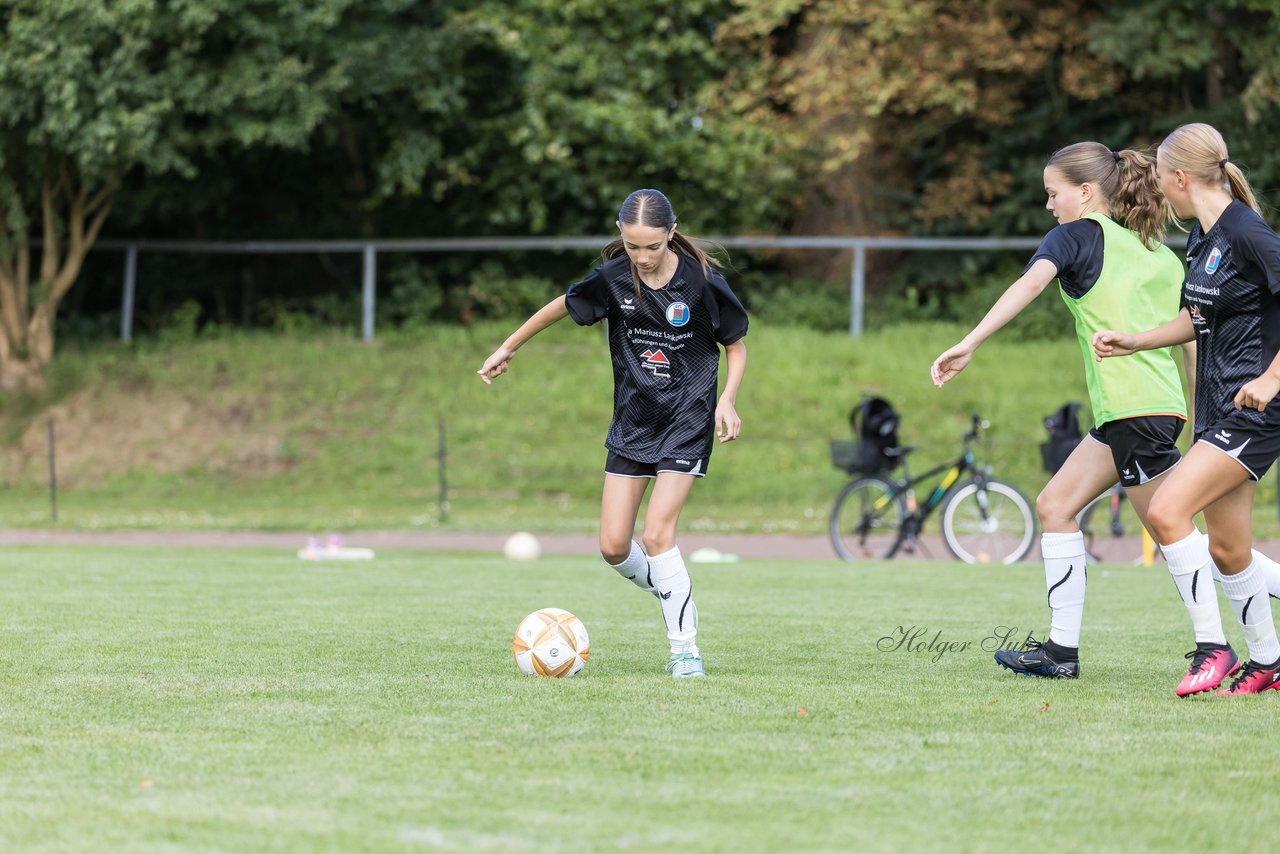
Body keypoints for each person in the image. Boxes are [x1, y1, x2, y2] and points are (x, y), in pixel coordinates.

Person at [931, 141, 1240, 694]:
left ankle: (1214, 648)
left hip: (1132, 411)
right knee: (1055, 505)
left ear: (1085, 191)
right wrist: (1198, 419)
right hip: (1148, 409)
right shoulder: (1158, 253)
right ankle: (1060, 652)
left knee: (1181, 534)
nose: (1049, 205)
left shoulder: (1074, 236)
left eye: (1053, 194)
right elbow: (1192, 342)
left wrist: (970, 341)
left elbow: (1029, 284)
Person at [477, 188, 748, 678]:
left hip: (687, 417)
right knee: (613, 546)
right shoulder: (614, 277)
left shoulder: (702, 283)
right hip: (634, 419)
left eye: (652, 246)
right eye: (632, 247)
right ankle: (670, 586)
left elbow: (736, 344)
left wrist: (727, 399)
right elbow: (562, 305)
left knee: (658, 534)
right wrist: (508, 346)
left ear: (671, 233)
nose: (642, 258)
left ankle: (684, 650)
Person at [1093, 123, 1280, 695]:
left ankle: (1212, 649)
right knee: (1227, 549)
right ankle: (1270, 661)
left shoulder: (1248, 232)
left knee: (1168, 510)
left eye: (1160, 181)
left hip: (1256, 411)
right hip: (1218, 411)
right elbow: (1194, 320)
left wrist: (1272, 379)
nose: (1159, 194)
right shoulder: (1204, 237)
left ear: (1179, 177)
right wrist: (1136, 339)